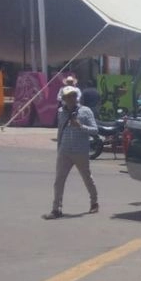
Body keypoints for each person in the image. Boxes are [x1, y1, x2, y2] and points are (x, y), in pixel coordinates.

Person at [45, 87, 98, 219]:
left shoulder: (85, 111)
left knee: (87, 178)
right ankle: (56, 209)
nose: (71, 99)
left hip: (80, 151)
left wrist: (80, 126)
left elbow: (95, 130)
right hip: (65, 151)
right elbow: (60, 131)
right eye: (68, 96)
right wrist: (59, 148)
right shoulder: (61, 112)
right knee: (59, 180)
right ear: (63, 99)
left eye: (73, 96)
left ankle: (94, 202)